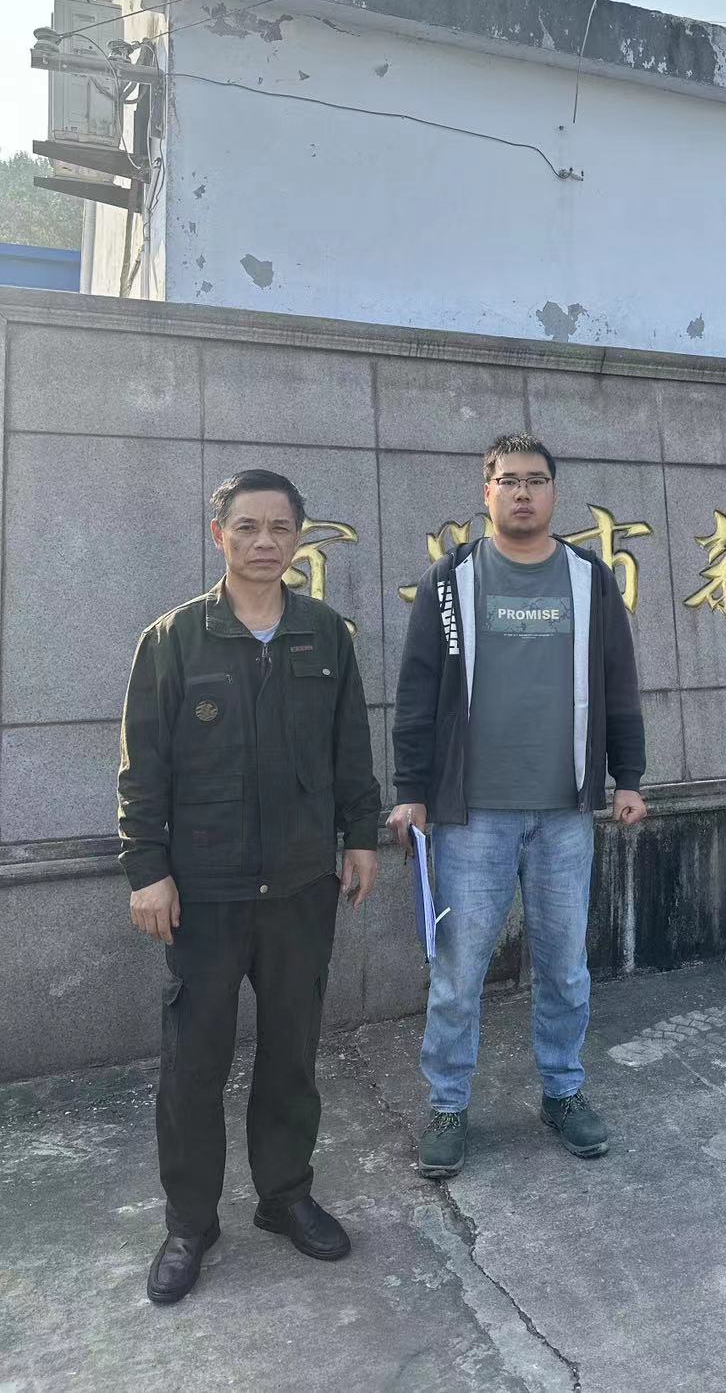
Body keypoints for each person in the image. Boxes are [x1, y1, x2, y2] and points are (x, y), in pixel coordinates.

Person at [118, 468, 383, 1306]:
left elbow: (350, 746)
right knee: (192, 1064)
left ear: (299, 537)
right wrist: (147, 870)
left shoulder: (326, 634)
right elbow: (142, 769)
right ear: (219, 535)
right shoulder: (174, 639)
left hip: (302, 883)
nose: (264, 541)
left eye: (279, 527)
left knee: (292, 1051)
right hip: (205, 891)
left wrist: (361, 836)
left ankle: (285, 1194)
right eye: (247, 527)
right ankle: (190, 1222)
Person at [390, 432, 647, 1179]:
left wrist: (628, 777)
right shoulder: (451, 581)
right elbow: (417, 692)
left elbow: (618, 682)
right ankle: (447, 1104)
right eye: (508, 480)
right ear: (487, 492)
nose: (523, 492)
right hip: (472, 816)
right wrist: (411, 791)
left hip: (564, 812)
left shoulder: (589, 579)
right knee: (458, 971)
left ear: (554, 492)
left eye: (536, 479)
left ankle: (563, 1091)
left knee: (565, 967)